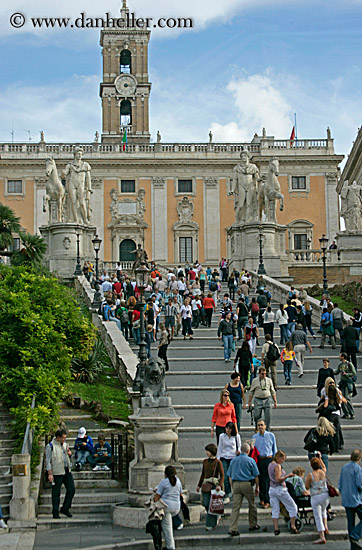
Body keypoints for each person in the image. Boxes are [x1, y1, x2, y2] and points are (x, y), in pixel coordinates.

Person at [227, 442, 260, 536]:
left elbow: (229, 475)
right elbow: (256, 475)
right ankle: (252, 524)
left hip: (236, 484)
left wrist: (232, 486)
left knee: (235, 507)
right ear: (248, 451)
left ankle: (233, 528)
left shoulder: (233, 460)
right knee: (252, 505)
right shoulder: (250, 460)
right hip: (247, 484)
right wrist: (257, 487)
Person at [268, 450, 300, 535]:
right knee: (293, 507)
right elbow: (278, 479)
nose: (283, 461)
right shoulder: (277, 466)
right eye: (282, 459)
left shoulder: (270, 464)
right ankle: (293, 526)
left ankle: (276, 528)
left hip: (272, 489)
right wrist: (287, 476)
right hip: (280, 489)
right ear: (278, 457)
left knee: (275, 509)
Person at [45, 429, 75, 519]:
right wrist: (50, 473)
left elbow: (67, 455)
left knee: (71, 489)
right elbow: (48, 461)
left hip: (66, 470)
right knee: (56, 493)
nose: (64, 439)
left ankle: (65, 507)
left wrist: (69, 454)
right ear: (58, 438)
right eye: (63, 438)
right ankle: (55, 511)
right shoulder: (50, 446)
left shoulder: (65, 445)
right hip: (57, 471)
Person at [197, 444, 224, 531]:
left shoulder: (217, 462)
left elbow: (222, 475)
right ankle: (215, 517)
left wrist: (219, 485)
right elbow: (203, 474)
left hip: (213, 485)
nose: (206, 452)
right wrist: (199, 485)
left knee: (210, 505)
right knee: (205, 503)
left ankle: (210, 524)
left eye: (207, 451)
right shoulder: (205, 461)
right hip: (205, 484)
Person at [154, 466, 183, 550]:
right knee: (169, 525)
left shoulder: (164, 482)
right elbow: (180, 493)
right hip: (176, 506)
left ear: (165, 474)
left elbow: (157, 497)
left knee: (167, 528)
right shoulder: (178, 481)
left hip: (167, 507)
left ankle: (170, 547)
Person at [338, 449, 362, 550]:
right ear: (359, 458)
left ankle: (353, 546)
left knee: (350, 522)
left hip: (346, 499)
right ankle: (355, 535)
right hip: (356, 499)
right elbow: (359, 484)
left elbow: (340, 484)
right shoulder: (357, 468)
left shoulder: (344, 467)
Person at [253, 420, 277, 509]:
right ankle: (262, 498)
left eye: (262, 425)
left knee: (267, 480)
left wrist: (275, 460)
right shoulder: (254, 437)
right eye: (258, 425)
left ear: (265, 426)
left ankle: (267, 500)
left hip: (269, 459)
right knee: (260, 480)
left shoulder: (271, 435)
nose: (260, 427)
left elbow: (274, 448)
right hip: (260, 460)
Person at [305, 455, 329, 544]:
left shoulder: (310, 475)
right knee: (324, 511)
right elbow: (324, 467)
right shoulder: (323, 472)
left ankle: (322, 536)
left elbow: (307, 487)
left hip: (315, 496)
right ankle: (326, 526)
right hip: (325, 495)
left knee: (317, 516)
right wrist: (320, 459)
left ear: (311, 465)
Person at [217, 422, 242, 501]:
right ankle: (228, 493)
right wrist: (218, 459)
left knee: (233, 476)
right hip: (224, 457)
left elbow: (239, 447)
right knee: (225, 476)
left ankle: (235, 491)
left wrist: (239, 452)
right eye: (227, 428)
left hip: (233, 457)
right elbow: (220, 447)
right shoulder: (222, 436)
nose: (228, 430)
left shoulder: (236, 436)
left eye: (229, 428)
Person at [248, 367, 277, 432]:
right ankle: (257, 428)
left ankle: (267, 430)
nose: (263, 375)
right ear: (259, 373)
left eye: (265, 373)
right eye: (262, 374)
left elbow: (272, 391)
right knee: (256, 416)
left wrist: (275, 401)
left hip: (267, 399)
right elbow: (251, 391)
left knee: (268, 417)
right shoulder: (255, 380)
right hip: (258, 399)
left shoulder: (269, 380)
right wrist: (249, 401)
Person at [334, 352, 356, 419]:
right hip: (342, 383)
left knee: (347, 398)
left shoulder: (349, 364)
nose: (339, 357)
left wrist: (346, 374)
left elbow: (354, 373)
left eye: (340, 356)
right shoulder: (340, 365)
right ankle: (346, 413)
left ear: (343, 357)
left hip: (348, 382)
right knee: (341, 398)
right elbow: (336, 372)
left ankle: (352, 413)